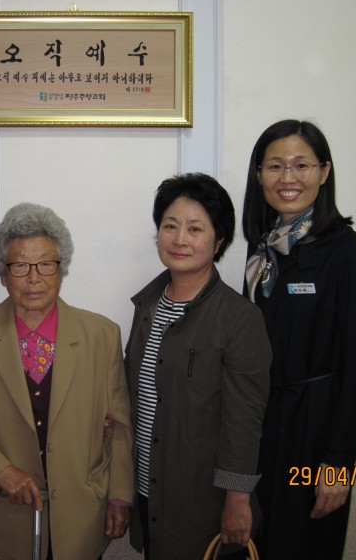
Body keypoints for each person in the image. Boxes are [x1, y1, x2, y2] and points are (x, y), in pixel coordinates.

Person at [0, 202, 134, 560]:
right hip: (0, 510)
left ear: (61, 270)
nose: (34, 278)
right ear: (2, 274)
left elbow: (118, 423)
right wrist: (1, 470)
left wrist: (119, 496)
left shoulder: (101, 334)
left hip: (80, 513)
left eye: (46, 265)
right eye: (20, 266)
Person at [242, 119, 356, 558]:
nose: (287, 178)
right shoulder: (261, 250)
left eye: (301, 165)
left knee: (301, 545)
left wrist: (337, 466)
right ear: (259, 174)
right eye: (275, 166)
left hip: (313, 436)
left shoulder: (350, 254)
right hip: (261, 427)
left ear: (324, 172)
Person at [124, 173, 272, 560]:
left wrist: (238, 499)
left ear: (219, 240)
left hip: (204, 500)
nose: (179, 239)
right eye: (169, 226)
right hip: (148, 489)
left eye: (195, 228)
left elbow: (245, 418)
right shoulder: (146, 308)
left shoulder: (239, 318)